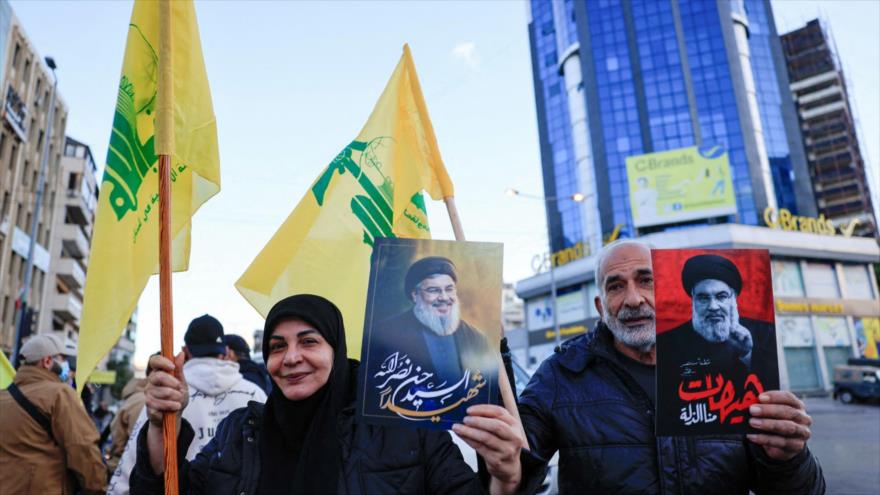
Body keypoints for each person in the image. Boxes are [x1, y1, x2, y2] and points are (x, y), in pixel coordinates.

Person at [131, 294, 543, 494]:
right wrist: (157, 423)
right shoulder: (242, 431)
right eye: (277, 346)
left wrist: (506, 476)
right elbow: (173, 490)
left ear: (337, 350)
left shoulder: (403, 428)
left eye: (308, 342)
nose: (290, 358)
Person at [517, 240, 825, 493]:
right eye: (615, 287)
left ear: (665, 291)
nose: (633, 299)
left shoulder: (736, 364)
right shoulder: (562, 374)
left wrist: (789, 458)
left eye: (646, 280)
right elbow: (513, 468)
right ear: (601, 308)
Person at [107, 315, 267, 494]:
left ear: (185, 351)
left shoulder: (167, 393)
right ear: (226, 351)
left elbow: (131, 472)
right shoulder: (256, 394)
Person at [0, 333, 106, 494]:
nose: (67, 365)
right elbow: (82, 447)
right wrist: (97, 488)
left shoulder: (3, 396)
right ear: (47, 361)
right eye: (63, 359)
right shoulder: (60, 394)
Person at [370, 256, 494, 382]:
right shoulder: (383, 336)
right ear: (415, 295)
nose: (444, 297)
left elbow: (486, 384)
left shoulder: (476, 338)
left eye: (449, 289)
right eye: (433, 290)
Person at [657, 253, 778, 381]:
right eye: (703, 298)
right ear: (693, 300)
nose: (713, 307)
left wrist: (747, 355)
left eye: (721, 296)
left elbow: (771, 383)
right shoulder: (665, 344)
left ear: (733, 298)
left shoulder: (766, 334)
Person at [107, 377, 147, 473]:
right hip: (137, 466)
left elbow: (117, 436)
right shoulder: (148, 400)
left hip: (123, 464)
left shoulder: (132, 401)